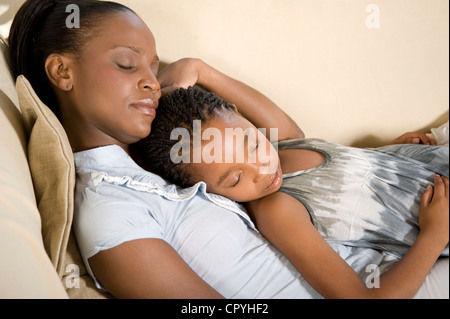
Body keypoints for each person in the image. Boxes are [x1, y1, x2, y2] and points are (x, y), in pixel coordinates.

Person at [8, 0, 447, 299]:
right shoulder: (109, 209)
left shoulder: (158, 152)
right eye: (127, 63)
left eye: (153, 67)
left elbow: (289, 143)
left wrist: (201, 70)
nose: (148, 81)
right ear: (62, 71)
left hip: (395, 251)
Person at [133, 86, 449, 299]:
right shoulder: (277, 210)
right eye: (235, 179)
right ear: (208, 191)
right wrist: (434, 235)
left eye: (253, 143)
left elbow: (350, 181)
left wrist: (391, 152)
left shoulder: (286, 144)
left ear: (241, 115)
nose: (262, 168)